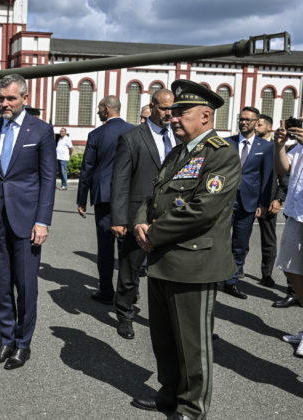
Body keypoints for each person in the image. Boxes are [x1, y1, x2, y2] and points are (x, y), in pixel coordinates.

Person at [132, 80, 240, 420]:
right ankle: (169, 392)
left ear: (206, 115)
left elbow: (203, 209)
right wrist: (139, 222)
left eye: (182, 112)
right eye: (172, 111)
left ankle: (192, 408)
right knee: (163, 338)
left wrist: (155, 234)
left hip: (195, 261)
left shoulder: (220, 153)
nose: (173, 117)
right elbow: (155, 196)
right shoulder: (179, 152)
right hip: (163, 258)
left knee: (193, 343)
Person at [0, 73, 56, 369]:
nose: (4, 103)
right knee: (0, 283)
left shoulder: (41, 131)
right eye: (1, 98)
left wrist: (42, 221)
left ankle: (22, 344)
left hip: (27, 221)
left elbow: (47, 179)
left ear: (24, 99)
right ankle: (6, 340)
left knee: (26, 285)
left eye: (10, 98)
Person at [110, 88, 175, 339]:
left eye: (172, 108)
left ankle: (172, 318)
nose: (169, 113)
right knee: (130, 269)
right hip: (137, 215)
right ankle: (125, 315)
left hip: (169, 215)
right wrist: (118, 218)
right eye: (164, 108)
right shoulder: (132, 137)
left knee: (170, 268)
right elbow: (120, 180)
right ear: (152, 106)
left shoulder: (179, 137)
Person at [77, 96, 134, 304]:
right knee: (127, 246)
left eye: (100, 108)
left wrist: (82, 198)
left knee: (105, 246)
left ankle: (106, 290)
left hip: (104, 196)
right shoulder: (134, 131)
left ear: (107, 109)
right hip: (128, 196)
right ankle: (129, 291)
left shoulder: (97, 134)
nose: (98, 111)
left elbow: (87, 169)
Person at [223, 106, 273, 299]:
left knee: (240, 243)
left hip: (249, 203)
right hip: (226, 201)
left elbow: (267, 176)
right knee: (220, 240)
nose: (244, 122)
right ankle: (215, 275)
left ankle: (231, 281)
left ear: (256, 122)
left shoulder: (265, 147)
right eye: (241, 119)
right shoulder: (227, 143)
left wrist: (263, 203)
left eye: (248, 120)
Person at [273, 119, 303, 356]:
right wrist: (279, 145)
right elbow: (283, 168)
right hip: (295, 214)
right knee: (290, 269)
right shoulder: (299, 146)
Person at [253, 114, 287, 287]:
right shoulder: (250, 146)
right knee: (239, 238)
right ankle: (236, 271)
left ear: (269, 128)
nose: (255, 126)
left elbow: (283, 178)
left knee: (268, 242)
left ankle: (266, 275)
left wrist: (278, 199)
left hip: (268, 201)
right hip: (248, 200)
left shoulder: (277, 149)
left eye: (259, 125)